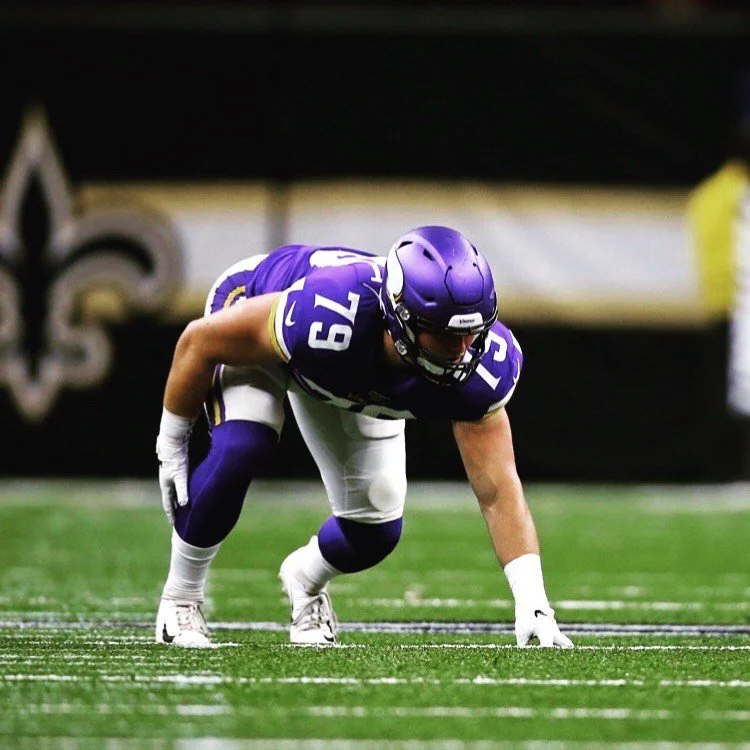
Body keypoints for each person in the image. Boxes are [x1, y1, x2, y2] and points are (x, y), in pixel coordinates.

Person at [154, 226, 573, 649]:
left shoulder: (482, 368)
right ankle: (181, 598)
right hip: (266, 323)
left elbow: (498, 490)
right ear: (401, 318)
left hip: (348, 371)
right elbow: (199, 341)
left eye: (473, 331)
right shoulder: (326, 313)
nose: (464, 349)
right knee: (242, 447)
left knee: (373, 532)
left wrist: (533, 603)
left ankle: (305, 581)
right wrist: (171, 442)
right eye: (446, 334)